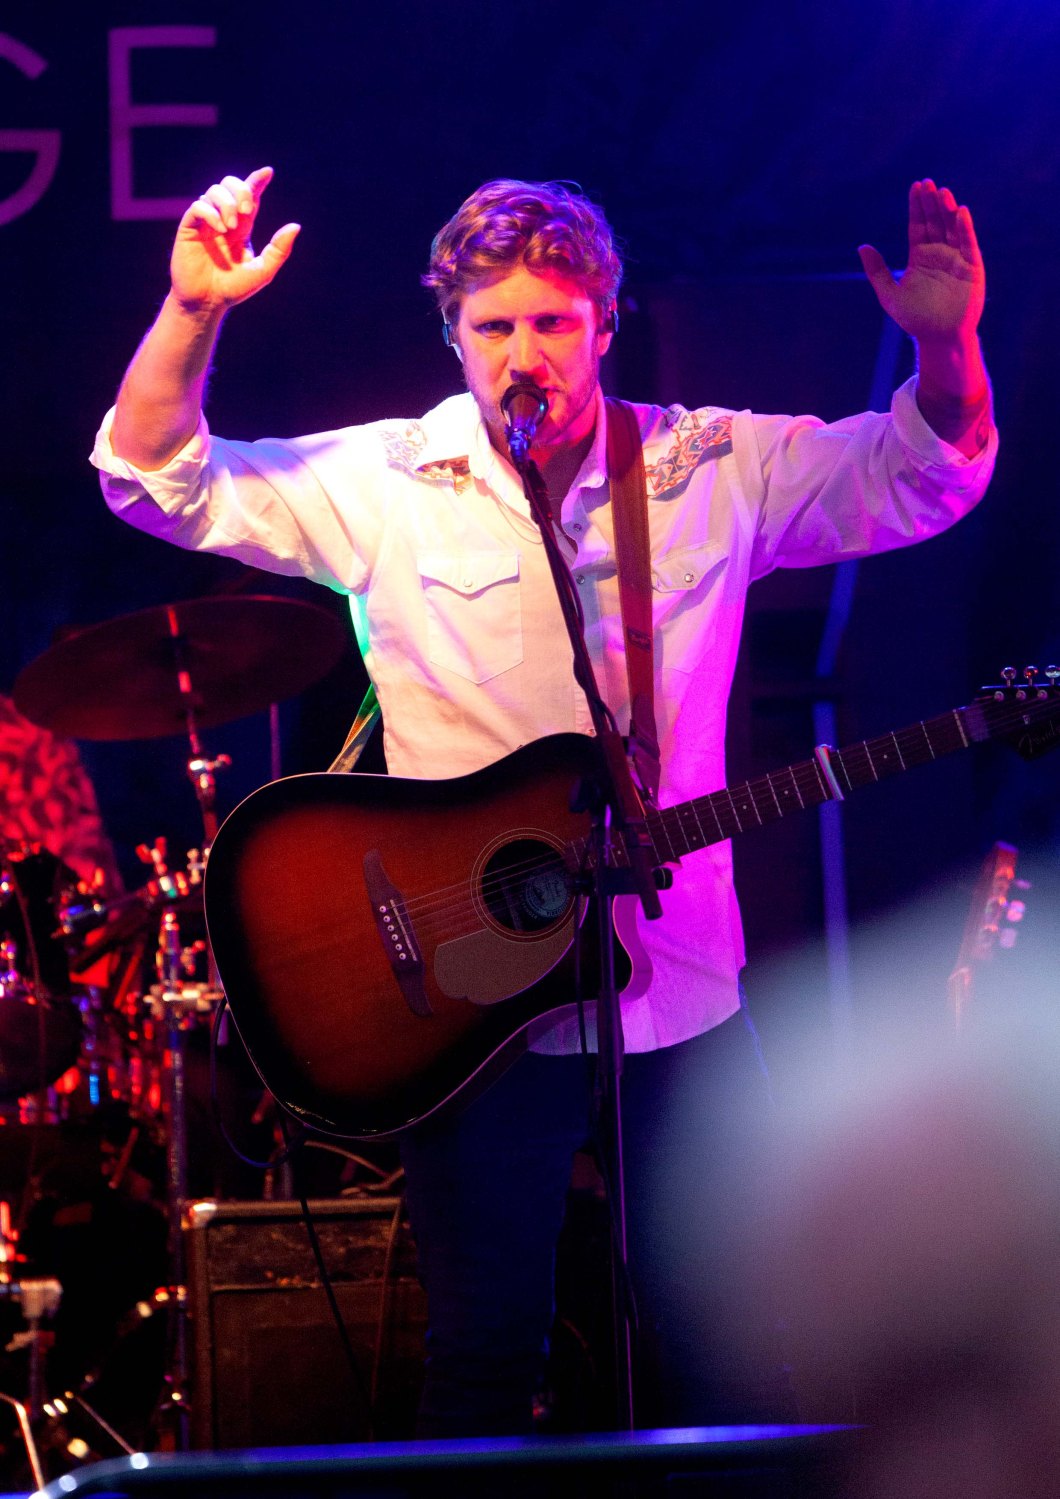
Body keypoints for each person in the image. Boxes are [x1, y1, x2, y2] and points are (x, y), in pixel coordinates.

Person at [90, 169, 996, 1436]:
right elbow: (155, 477)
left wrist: (946, 347)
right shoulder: (389, 480)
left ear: (606, 321)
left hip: (677, 981)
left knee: (727, 1347)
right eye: (496, 326)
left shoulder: (706, 464)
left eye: (555, 322)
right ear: (452, 334)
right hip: (465, 1005)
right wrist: (193, 311)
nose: (527, 355)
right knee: (482, 1352)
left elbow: (920, 475)